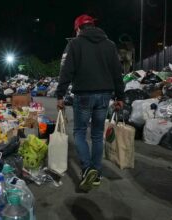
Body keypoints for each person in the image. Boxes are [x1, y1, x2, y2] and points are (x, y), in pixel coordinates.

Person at [56, 14, 124, 191]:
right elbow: (117, 72)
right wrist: (120, 97)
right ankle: (97, 172)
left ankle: (87, 170)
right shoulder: (109, 45)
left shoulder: (75, 44)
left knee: (79, 132)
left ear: (78, 28)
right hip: (104, 95)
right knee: (96, 134)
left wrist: (60, 95)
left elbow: (67, 71)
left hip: (83, 95)